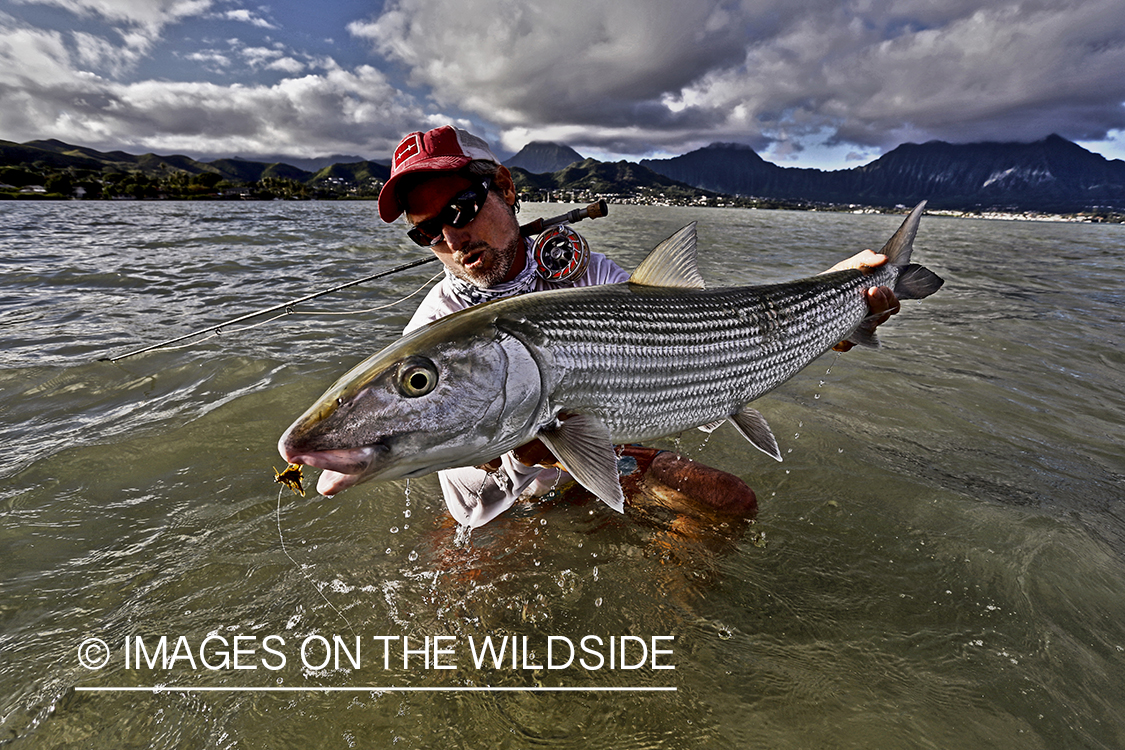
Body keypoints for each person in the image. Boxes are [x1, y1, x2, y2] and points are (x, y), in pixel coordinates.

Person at [378, 125, 899, 527]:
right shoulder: (434, 332)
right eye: (428, 233)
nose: (453, 239)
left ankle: (683, 654)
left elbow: (699, 334)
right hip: (501, 504)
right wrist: (510, 452)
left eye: (462, 209)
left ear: (506, 188)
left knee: (731, 504)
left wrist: (834, 302)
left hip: (606, 460)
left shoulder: (591, 274)